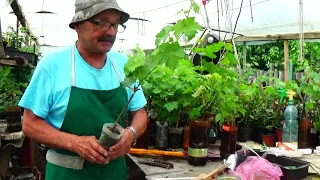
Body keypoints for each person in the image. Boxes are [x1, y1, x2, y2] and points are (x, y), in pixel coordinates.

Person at [18, 0, 148, 179]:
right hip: (66, 173)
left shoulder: (123, 66)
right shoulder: (52, 67)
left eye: (115, 24)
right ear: (77, 25)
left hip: (113, 173)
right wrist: (74, 142)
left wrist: (131, 134)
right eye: (101, 22)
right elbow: (30, 124)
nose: (110, 32)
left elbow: (140, 113)